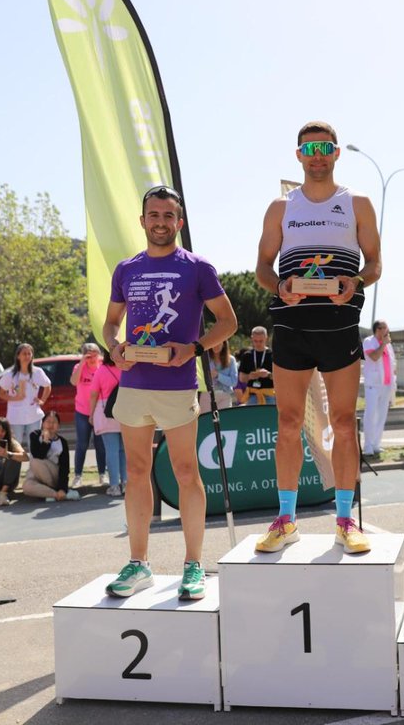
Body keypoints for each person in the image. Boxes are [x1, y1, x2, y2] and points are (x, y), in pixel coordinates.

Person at [102, 185, 237, 600]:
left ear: (179, 222)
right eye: (153, 215)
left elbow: (228, 322)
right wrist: (114, 348)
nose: (160, 222)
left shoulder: (197, 268)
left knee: (185, 474)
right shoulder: (126, 269)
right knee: (137, 474)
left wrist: (193, 348)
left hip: (177, 387)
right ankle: (138, 563)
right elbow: (110, 325)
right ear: (142, 220)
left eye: (168, 216)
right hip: (134, 387)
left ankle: (193, 565)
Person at [253, 121, 380, 555]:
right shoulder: (280, 208)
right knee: (287, 425)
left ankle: (345, 521)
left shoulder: (357, 203)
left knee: (344, 424)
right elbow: (263, 270)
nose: (318, 155)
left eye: (325, 147)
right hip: (292, 329)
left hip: (339, 328)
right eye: (310, 148)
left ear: (337, 152)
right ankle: (286, 520)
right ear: (299, 155)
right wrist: (280, 288)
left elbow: (375, 265)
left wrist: (355, 281)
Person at [0, 343, 51, 452]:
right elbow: (1, 394)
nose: (27, 356)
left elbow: (48, 386)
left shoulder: (38, 372)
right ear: (18, 356)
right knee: (15, 446)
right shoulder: (10, 374)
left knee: (34, 444)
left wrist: (42, 400)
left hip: (33, 415)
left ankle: (34, 468)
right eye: (24, 354)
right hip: (15, 417)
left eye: (29, 354)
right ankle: (13, 469)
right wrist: (15, 398)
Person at [69, 343, 108, 488]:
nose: (92, 359)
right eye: (88, 356)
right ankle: (78, 476)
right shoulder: (79, 367)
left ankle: (102, 474)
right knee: (82, 444)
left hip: (99, 411)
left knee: (100, 445)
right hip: (82, 411)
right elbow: (73, 382)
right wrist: (81, 363)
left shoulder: (103, 366)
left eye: (94, 355)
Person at [89, 351, 125, 497]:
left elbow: (93, 394)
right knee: (124, 451)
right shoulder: (126, 368)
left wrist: (91, 415)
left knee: (112, 451)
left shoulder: (101, 370)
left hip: (106, 413)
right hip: (125, 412)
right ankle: (126, 483)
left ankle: (114, 486)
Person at [25, 411, 79, 502]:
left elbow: (65, 468)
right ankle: (56, 494)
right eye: (48, 422)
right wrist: (46, 440)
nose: (51, 425)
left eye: (54, 422)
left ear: (58, 426)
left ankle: (58, 490)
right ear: (42, 424)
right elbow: (38, 454)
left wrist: (62, 487)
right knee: (26, 486)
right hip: (37, 475)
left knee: (35, 461)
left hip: (54, 475)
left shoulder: (62, 442)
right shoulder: (35, 435)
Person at [361, 320, 397, 457]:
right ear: (378, 329)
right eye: (385, 328)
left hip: (386, 385)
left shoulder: (388, 345)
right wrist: (383, 344)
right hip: (373, 384)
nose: (387, 330)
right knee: (371, 414)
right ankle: (368, 445)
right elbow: (375, 357)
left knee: (382, 415)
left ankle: (376, 444)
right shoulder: (369, 341)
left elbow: (391, 363)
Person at [237, 326, 274, 405]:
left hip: (270, 395)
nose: (258, 344)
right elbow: (241, 378)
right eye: (255, 341)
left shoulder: (273, 355)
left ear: (266, 339)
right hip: (252, 395)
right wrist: (250, 376)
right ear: (251, 339)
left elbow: (281, 378)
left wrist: (268, 375)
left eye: (261, 341)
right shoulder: (247, 355)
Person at [199, 340, 238, 413]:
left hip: (225, 395)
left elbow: (234, 382)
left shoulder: (231, 360)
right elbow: (199, 378)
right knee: (205, 421)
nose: (216, 346)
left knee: (224, 421)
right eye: (214, 343)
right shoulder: (204, 358)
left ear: (224, 344)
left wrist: (218, 375)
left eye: (218, 343)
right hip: (207, 395)